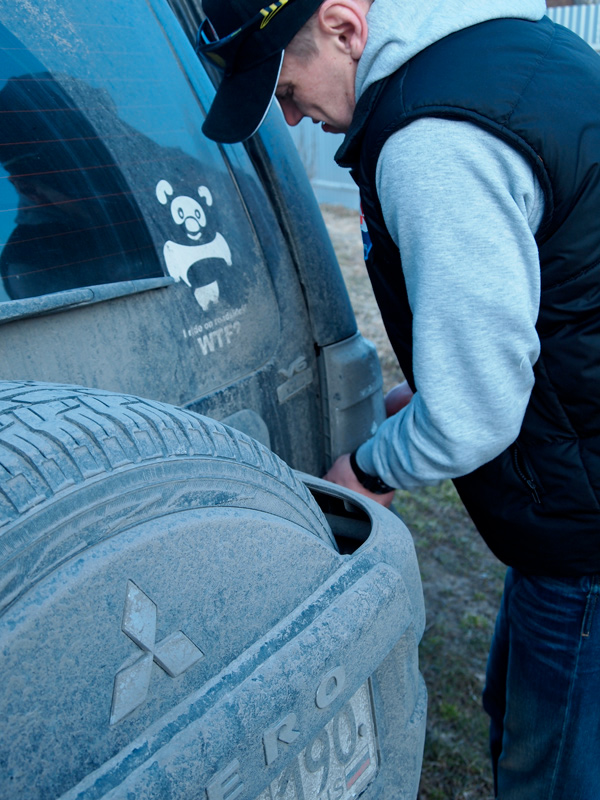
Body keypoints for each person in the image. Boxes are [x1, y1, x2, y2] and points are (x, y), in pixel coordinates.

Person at [197, 0, 600, 796]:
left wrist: (370, 469)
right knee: (527, 715)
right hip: (576, 477)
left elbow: (475, 416)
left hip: (584, 519)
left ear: (345, 28)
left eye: (285, 88)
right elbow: (566, 272)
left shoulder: (431, 141)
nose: (294, 119)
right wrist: (441, 375)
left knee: (551, 768)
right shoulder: (518, 54)